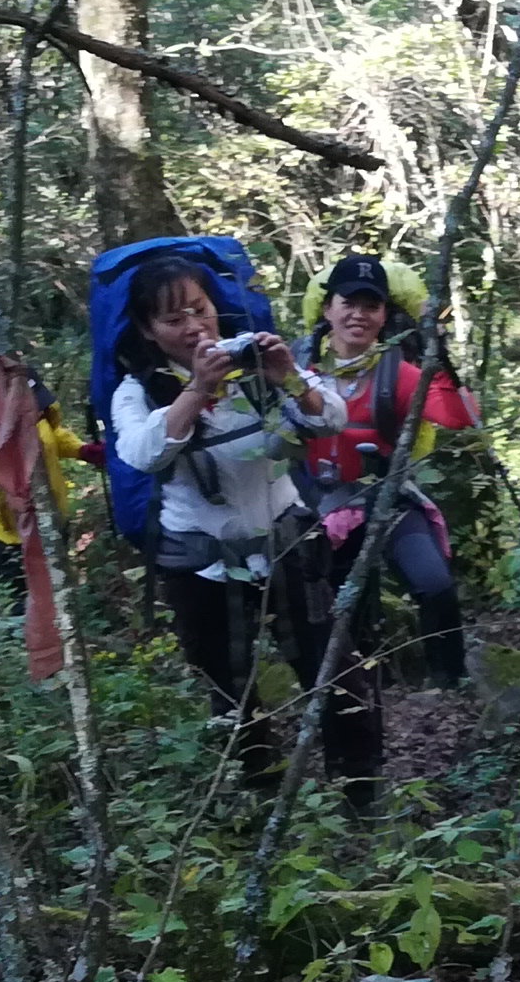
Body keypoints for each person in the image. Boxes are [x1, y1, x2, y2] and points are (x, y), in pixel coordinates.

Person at [107, 254, 380, 797]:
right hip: (199, 567)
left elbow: (331, 417)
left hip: (286, 544)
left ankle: (361, 793)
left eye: (199, 309)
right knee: (230, 690)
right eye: (173, 319)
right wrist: (197, 389)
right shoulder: (137, 392)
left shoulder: (253, 364)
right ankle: (260, 795)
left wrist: (287, 377)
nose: (193, 327)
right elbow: (141, 453)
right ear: (147, 330)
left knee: (336, 672)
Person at [301, 254, 479, 689]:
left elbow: (460, 416)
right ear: (328, 309)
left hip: (388, 496)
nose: (358, 315)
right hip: (320, 504)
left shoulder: (398, 374)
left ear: (384, 316)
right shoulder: (297, 371)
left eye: (371, 306)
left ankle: (450, 682)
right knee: (337, 604)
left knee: (434, 584)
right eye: (348, 303)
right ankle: (358, 689)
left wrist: (440, 357)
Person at [0, 364, 82, 605]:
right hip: (12, 543)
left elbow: (50, 435)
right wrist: (1, 478)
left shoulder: (36, 415)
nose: (37, 413)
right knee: (26, 611)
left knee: (63, 600)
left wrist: (84, 450)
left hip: (53, 525)